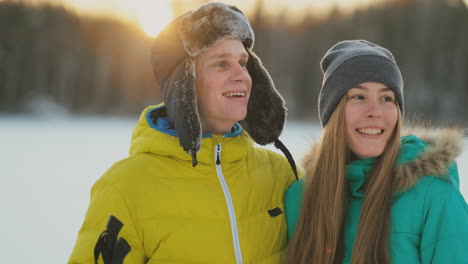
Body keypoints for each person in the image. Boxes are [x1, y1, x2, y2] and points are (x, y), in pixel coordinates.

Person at [69, 3, 298, 263]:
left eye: (243, 62)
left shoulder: (282, 175)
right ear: (185, 84)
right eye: (221, 64)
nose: (242, 76)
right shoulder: (126, 187)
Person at [285, 40, 468, 264]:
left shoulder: (434, 196)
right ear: (333, 111)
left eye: (386, 98)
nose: (375, 112)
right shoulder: (300, 197)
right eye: (358, 97)